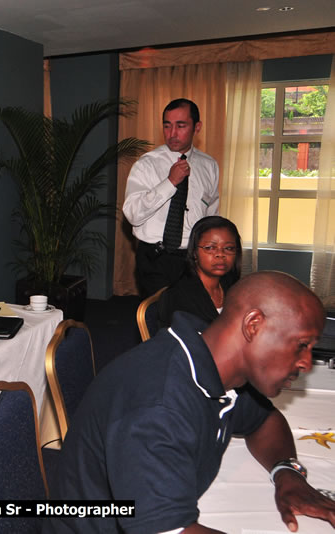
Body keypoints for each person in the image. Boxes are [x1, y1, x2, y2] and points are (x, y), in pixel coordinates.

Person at [44, 271, 335, 533]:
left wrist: (286, 472)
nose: (307, 363)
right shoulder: (156, 406)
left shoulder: (215, 362)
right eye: (302, 344)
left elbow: (264, 421)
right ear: (254, 325)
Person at [122, 98, 220, 297]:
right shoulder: (147, 165)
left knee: (193, 320)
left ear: (197, 127)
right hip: (156, 259)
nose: (172, 133)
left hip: (194, 259)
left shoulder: (209, 166)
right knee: (162, 318)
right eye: (167, 126)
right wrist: (170, 183)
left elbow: (211, 215)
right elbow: (132, 214)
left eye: (180, 126)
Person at [158, 216, 242, 328]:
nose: (220, 254)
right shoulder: (177, 297)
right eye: (210, 248)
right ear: (194, 253)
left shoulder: (232, 285)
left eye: (229, 248)